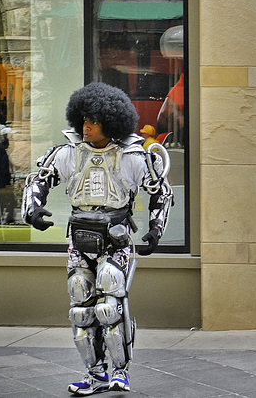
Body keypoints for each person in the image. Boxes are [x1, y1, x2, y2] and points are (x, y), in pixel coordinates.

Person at [21, 82, 173, 395]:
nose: (86, 127)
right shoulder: (68, 154)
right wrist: (33, 210)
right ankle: (94, 374)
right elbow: (39, 181)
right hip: (79, 240)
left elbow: (161, 194)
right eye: (84, 120)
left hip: (116, 240)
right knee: (80, 307)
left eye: (94, 121)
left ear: (111, 123)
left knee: (110, 307)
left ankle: (120, 371)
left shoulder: (132, 157)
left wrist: (156, 229)